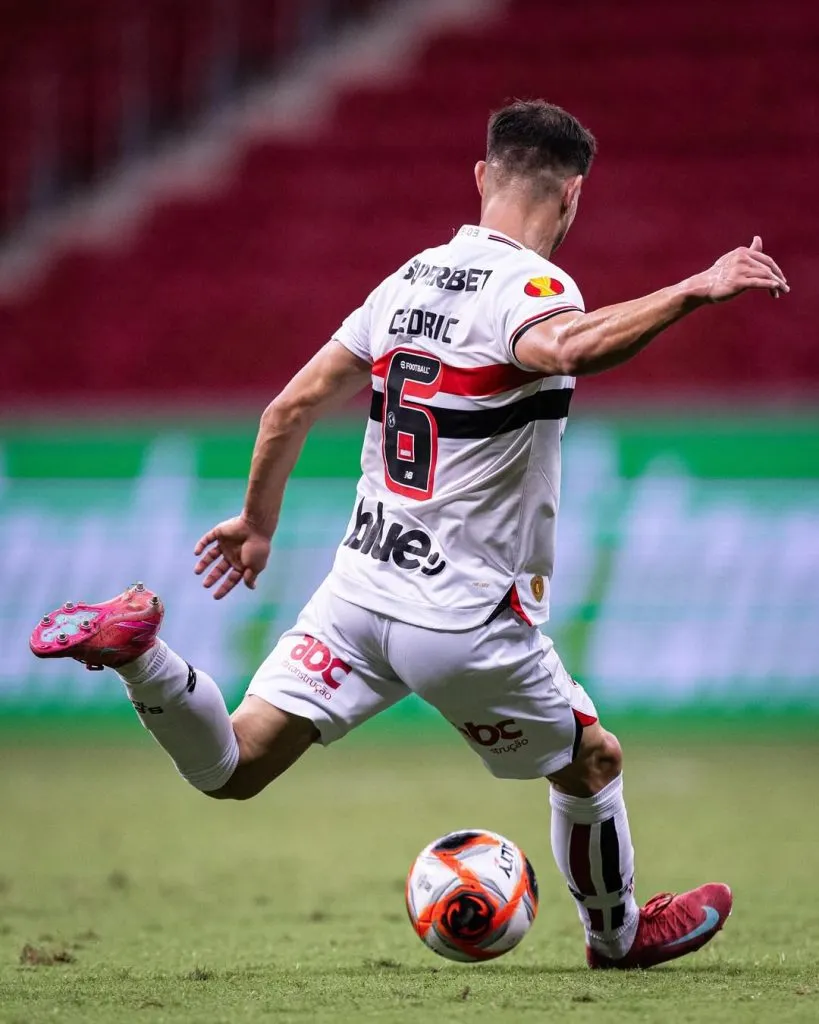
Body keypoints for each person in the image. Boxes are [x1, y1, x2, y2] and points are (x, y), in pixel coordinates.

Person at [30, 100, 788, 968]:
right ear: (573, 196)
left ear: (480, 177)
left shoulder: (409, 280)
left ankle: (139, 658)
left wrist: (255, 522)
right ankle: (615, 939)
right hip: (460, 617)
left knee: (233, 766)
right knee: (590, 762)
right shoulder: (532, 288)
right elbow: (568, 345)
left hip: (357, 590)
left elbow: (291, 406)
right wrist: (691, 289)